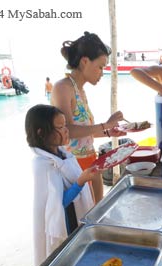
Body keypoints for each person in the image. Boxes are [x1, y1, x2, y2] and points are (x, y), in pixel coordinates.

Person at [51, 32, 126, 203]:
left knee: (94, 214)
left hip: (91, 163)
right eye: (100, 67)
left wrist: (109, 132)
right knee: (82, 220)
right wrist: (105, 125)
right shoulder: (63, 87)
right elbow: (67, 131)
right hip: (73, 168)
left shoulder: (80, 90)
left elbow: (83, 134)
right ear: (85, 61)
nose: (102, 73)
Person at [25, 104, 101, 266]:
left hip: (76, 220)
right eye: (60, 127)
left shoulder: (64, 154)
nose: (66, 130)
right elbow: (58, 206)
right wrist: (81, 181)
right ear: (41, 132)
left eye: (65, 125)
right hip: (65, 226)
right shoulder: (43, 164)